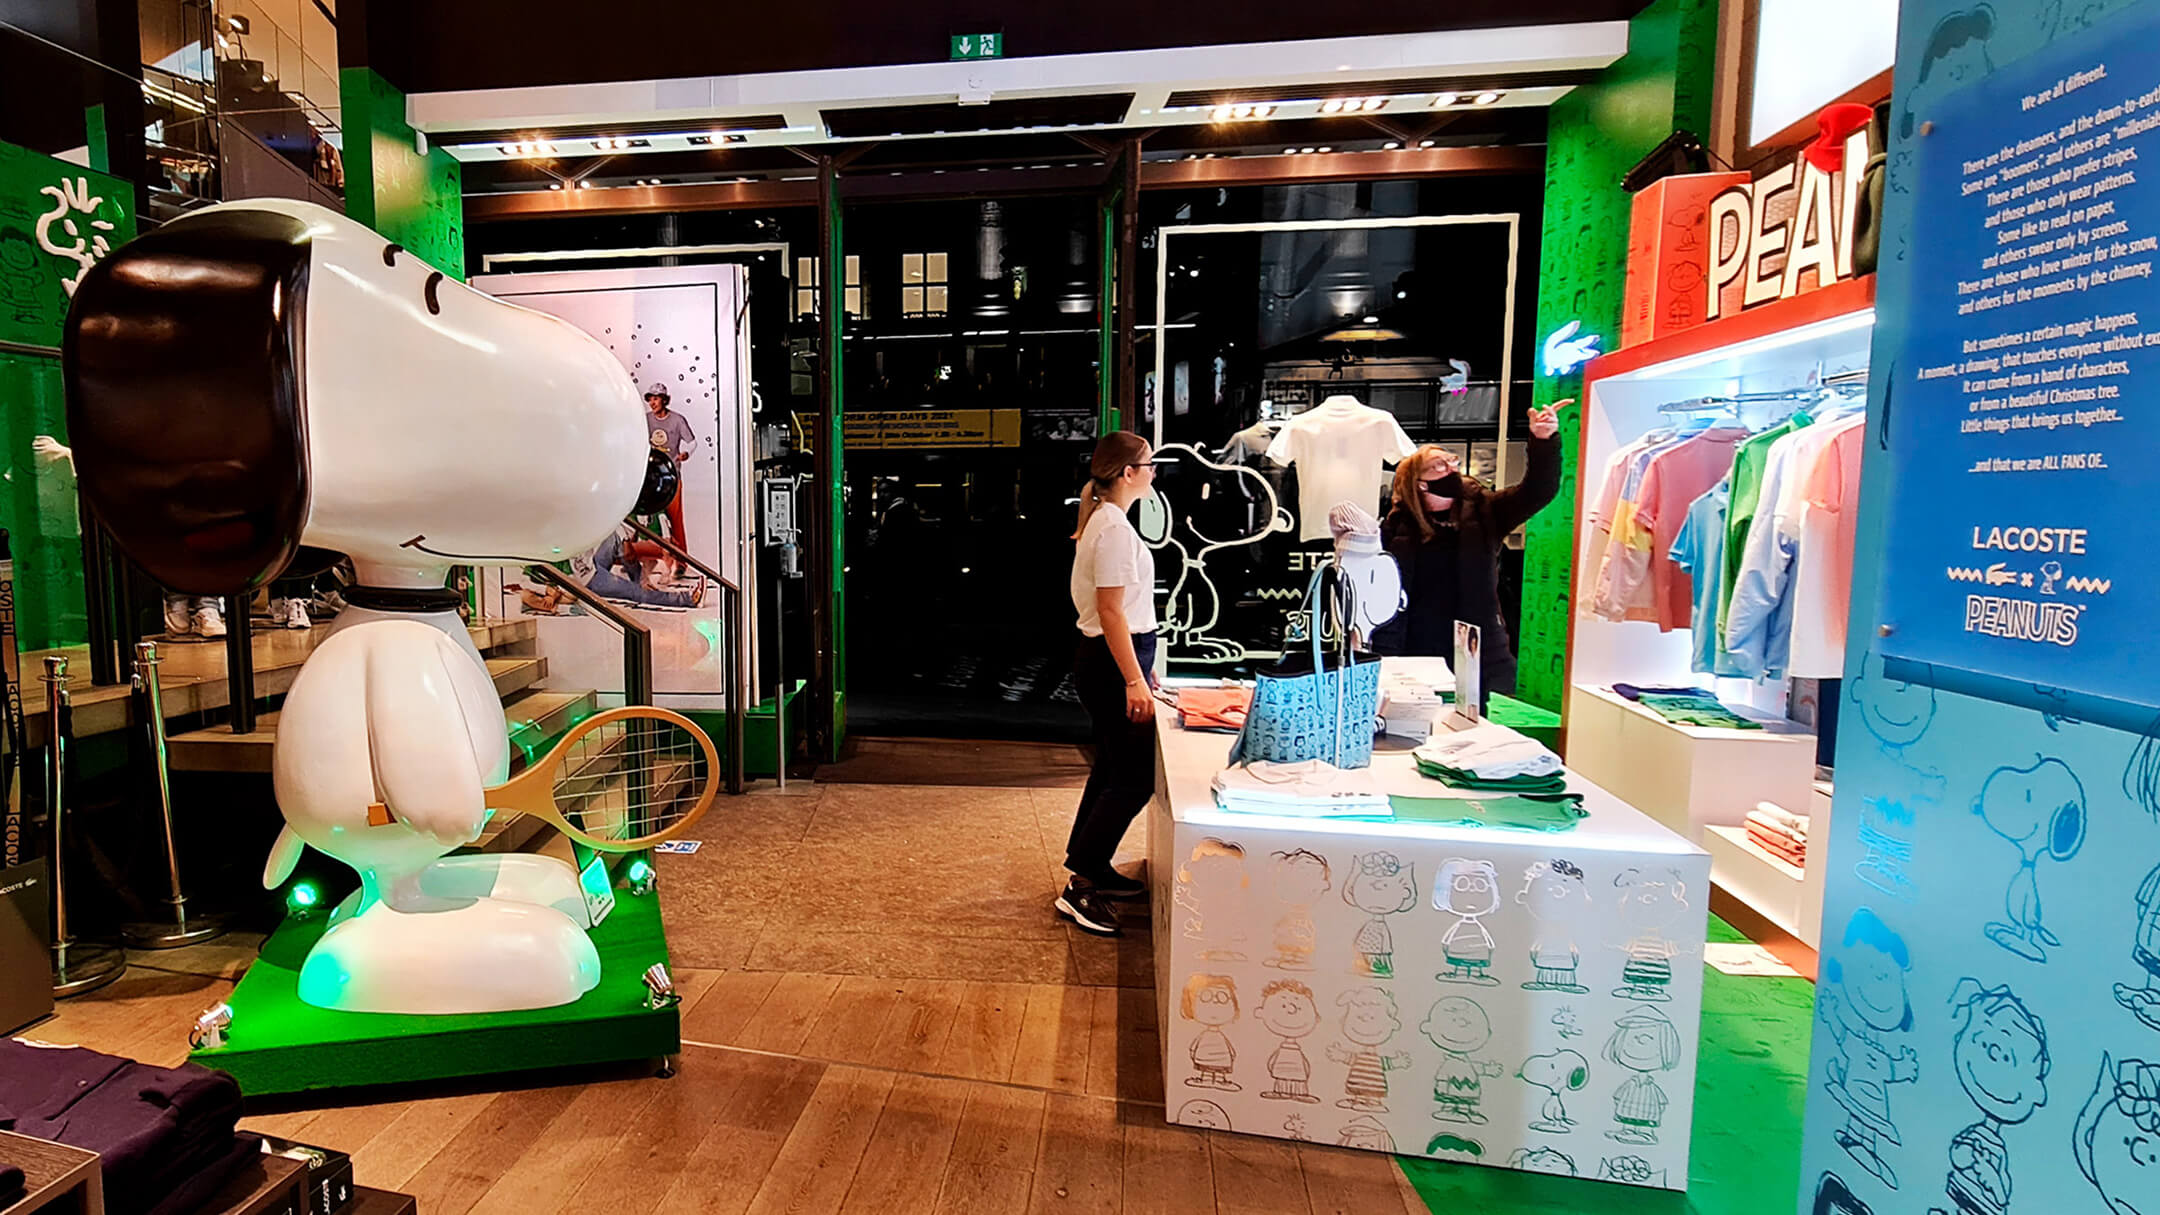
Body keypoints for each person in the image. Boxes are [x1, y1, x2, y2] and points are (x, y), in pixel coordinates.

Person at [1370, 401, 1567, 698]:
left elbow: (1538, 491)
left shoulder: (1486, 511)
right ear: (1419, 484)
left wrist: (1543, 441)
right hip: (1416, 646)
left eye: (1451, 461)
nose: (1451, 468)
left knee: (1481, 716)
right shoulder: (1394, 528)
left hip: (1478, 645)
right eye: (1439, 465)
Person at [1056, 430, 1159, 936]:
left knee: (1114, 767)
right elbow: (1111, 611)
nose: (1154, 472)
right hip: (1111, 662)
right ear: (1128, 473)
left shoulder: (1107, 520)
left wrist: (1142, 668)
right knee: (1134, 775)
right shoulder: (1113, 528)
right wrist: (1134, 678)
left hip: (1114, 657)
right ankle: (1081, 883)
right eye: (1149, 464)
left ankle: (1091, 865)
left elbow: (1122, 611)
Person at [644, 384, 694, 553]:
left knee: (675, 519)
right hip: (649, 478)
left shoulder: (677, 420)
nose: (652, 403)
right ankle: (648, 557)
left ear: (664, 400)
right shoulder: (645, 419)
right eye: (650, 399)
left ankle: (681, 560)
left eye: (656, 399)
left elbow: (692, 442)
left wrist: (686, 453)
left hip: (671, 477)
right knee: (648, 519)